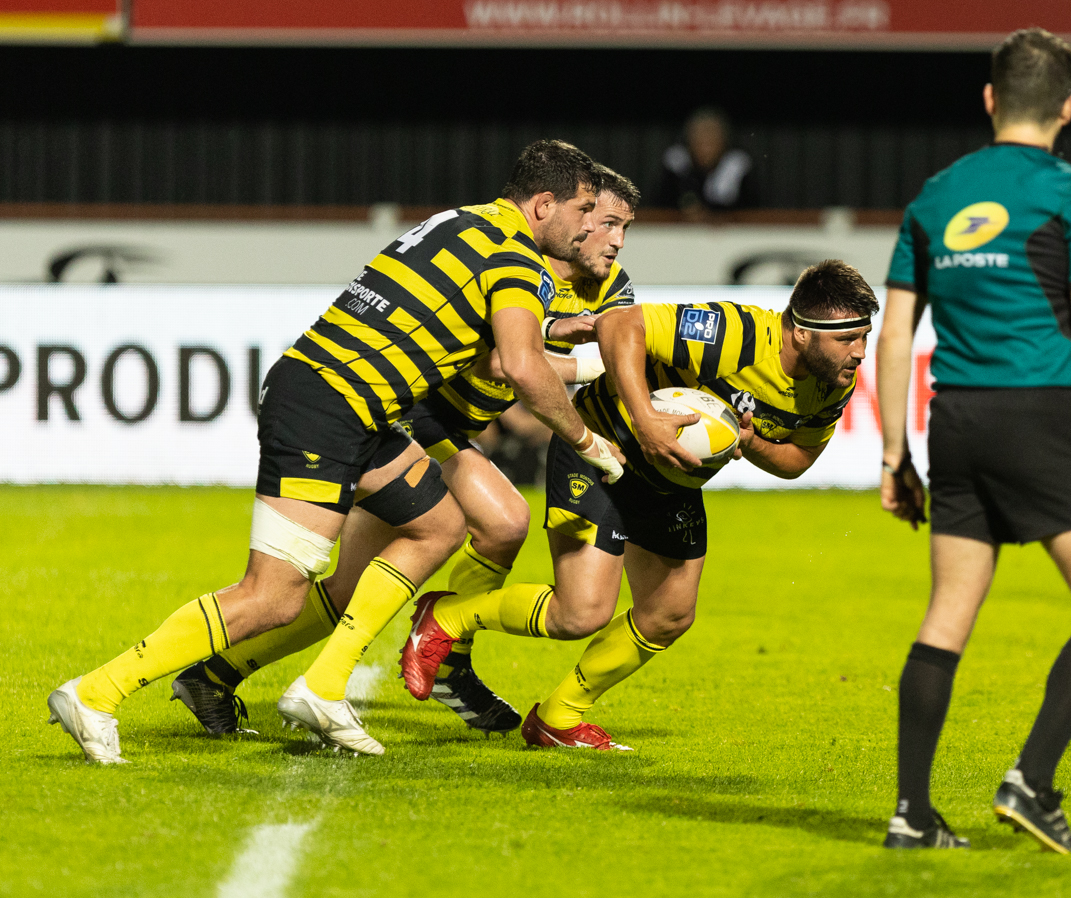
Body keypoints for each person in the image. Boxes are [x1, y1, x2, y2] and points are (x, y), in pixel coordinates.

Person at [47, 140, 626, 762]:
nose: (590, 226)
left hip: (356, 406)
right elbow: (520, 364)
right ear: (543, 204)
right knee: (272, 596)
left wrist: (550, 330)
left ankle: (323, 686)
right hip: (329, 405)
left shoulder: (462, 223)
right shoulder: (514, 255)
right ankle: (97, 692)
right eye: (584, 210)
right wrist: (587, 440)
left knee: (438, 524)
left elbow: (470, 326)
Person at [876, 28, 1071, 853]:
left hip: (955, 422)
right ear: (1068, 108)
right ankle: (1031, 781)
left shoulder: (936, 195)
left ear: (990, 98)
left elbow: (895, 334)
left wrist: (895, 455)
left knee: (947, 614)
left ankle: (911, 811)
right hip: (1039, 415)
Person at [401, 260, 878, 751]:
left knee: (669, 614)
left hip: (669, 482)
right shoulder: (736, 333)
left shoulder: (832, 383)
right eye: (848, 339)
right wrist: (645, 417)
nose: (860, 352)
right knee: (580, 613)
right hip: (601, 449)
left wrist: (750, 441)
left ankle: (558, 718)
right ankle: (447, 617)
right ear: (801, 332)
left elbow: (797, 460)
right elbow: (621, 324)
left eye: (864, 337)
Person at [653, 107, 759, 218]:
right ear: (690, 141)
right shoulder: (676, 162)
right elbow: (660, 206)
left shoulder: (738, 164)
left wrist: (712, 216)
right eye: (700, 139)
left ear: (724, 142)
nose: (706, 147)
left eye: (712, 139)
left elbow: (750, 210)